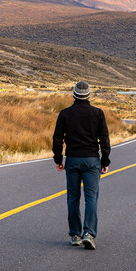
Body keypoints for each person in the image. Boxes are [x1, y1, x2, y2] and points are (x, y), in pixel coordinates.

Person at [52, 80, 110, 250]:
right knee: (91, 197)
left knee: (73, 197)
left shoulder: (65, 114)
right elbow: (104, 140)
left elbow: (57, 139)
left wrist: (58, 159)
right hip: (92, 160)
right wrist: (105, 161)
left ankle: (75, 235)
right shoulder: (98, 113)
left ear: (74, 94)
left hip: (73, 160)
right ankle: (89, 234)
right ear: (89, 94)